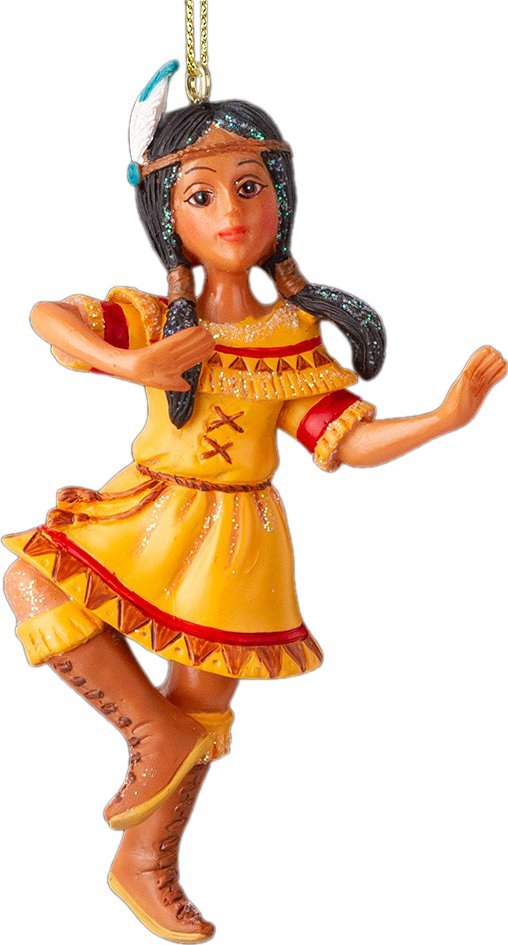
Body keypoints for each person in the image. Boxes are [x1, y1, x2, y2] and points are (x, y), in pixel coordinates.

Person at [3, 66, 506, 944]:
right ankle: (150, 732)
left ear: (282, 200)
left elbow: (343, 438)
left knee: (204, 702)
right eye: (200, 195)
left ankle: (146, 862)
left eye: (249, 186)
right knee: (31, 582)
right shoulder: (153, 317)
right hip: (148, 508)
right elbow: (48, 316)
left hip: (237, 541)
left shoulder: (292, 338)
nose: (230, 211)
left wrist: (443, 418)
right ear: (169, 217)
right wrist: (130, 363)